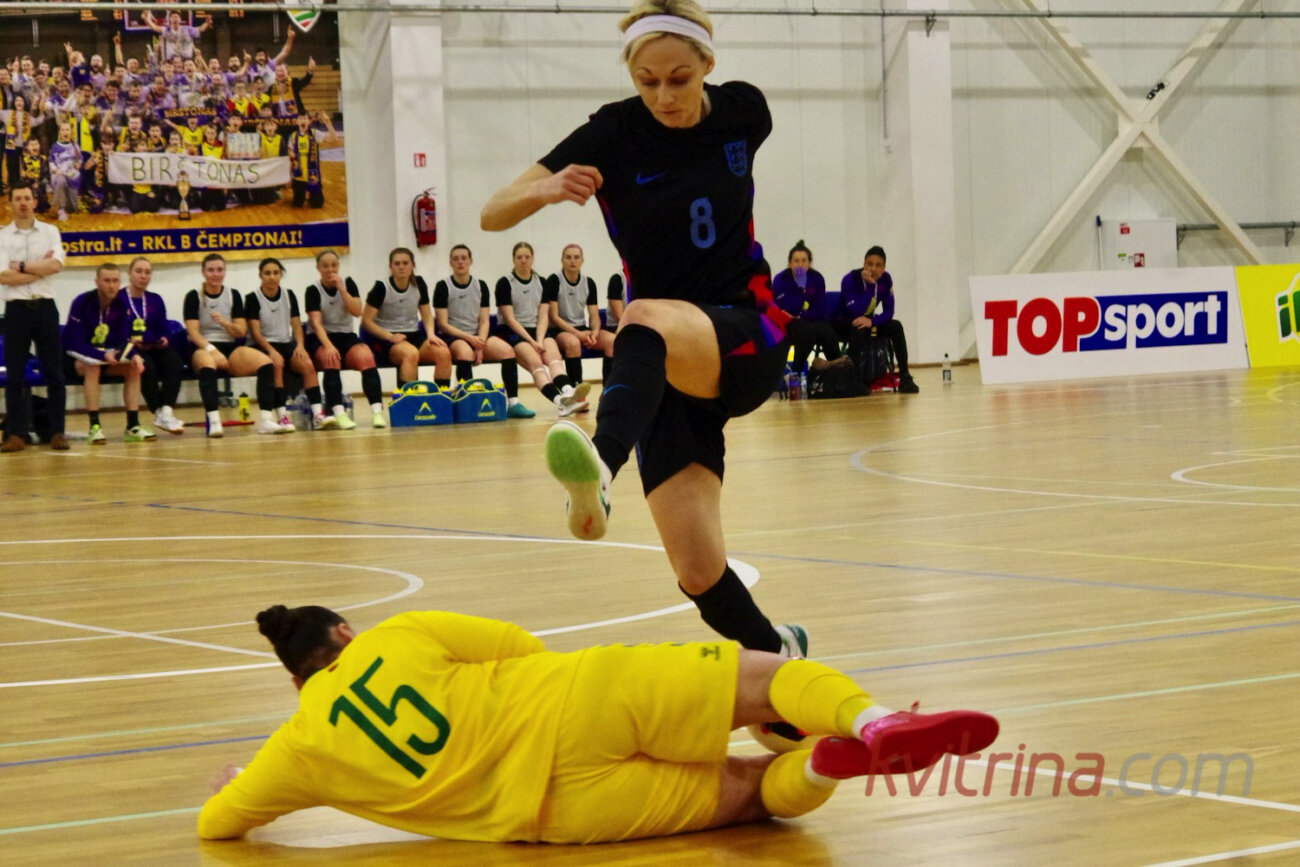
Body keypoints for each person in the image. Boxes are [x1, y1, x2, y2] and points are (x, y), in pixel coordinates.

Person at [481, 2, 804, 675]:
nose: (663, 96)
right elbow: (492, 214)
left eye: (679, 78)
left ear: (707, 65)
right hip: (660, 364)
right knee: (697, 570)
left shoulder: (745, 111)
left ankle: (599, 467)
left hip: (746, 329)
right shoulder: (612, 131)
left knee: (643, 315)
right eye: (647, 80)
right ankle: (781, 656)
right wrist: (547, 188)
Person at [197, 604, 999, 843]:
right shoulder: (395, 635)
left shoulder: (299, 745)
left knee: (754, 795)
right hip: (579, 696)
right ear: (345, 632)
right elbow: (521, 644)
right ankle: (872, 720)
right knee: (771, 679)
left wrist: (242, 787)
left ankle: (821, 765)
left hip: (560, 811)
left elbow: (216, 825)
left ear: (296, 679)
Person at [0, 183, 68, 452]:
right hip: (16, 310)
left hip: (45, 308)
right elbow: (4, 276)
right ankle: (16, 434)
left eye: (27, 198)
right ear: (10, 203)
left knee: (54, 372)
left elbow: (56, 265)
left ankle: (57, 432)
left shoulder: (50, 232)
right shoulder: (3, 236)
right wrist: (40, 270)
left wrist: (22, 267)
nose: (23, 203)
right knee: (15, 374)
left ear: (34, 201)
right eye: (18, 199)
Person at [432, 243, 534, 418]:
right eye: (456, 259)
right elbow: (442, 324)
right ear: (450, 263)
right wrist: (470, 340)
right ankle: (467, 403)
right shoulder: (443, 286)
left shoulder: (481, 286)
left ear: (470, 261)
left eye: (464, 258)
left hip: (478, 336)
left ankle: (513, 403)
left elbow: (485, 321)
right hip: (454, 336)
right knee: (465, 352)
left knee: (507, 351)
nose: (460, 262)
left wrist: (480, 344)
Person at [183, 252, 279, 437]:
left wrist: (224, 323)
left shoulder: (233, 295)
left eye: (219, 270)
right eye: (211, 270)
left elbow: (241, 331)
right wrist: (212, 350)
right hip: (203, 347)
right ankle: (214, 421)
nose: (215, 274)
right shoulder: (193, 296)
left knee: (266, 363)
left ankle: (266, 420)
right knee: (208, 365)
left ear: (224, 272)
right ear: (203, 272)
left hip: (230, 347)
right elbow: (193, 332)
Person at [63, 263, 154, 444]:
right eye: (106, 281)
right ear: (97, 282)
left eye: (115, 281)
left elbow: (123, 339)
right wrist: (101, 356)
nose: (111, 286)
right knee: (92, 367)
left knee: (133, 368)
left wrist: (134, 354)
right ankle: (95, 426)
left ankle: (133, 425)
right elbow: (74, 342)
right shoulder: (82, 302)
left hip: (105, 358)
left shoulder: (121, 304)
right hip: (74, 358)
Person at [494, 241, 587, 417]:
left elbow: (544, 316)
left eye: (527, 257)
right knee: (536, 364)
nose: (523, 260)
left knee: (554, 359)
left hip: (538, 331)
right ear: (513, 260)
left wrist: (539, 339)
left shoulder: (542, 282)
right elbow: (510, 319)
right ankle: (559, 402)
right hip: (514, 332)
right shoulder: (505, 283)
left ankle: (569, 391)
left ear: (532, 259)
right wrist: (532, 342)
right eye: (519, 257)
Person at [304, 249, 386, 430]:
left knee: (366, 357)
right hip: (321, 337)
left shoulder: (348, 284)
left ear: (338, 266)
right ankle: (339, 413)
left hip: (346, 335)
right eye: (325, 266)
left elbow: (357, 311)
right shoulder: (313, 290)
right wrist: (328, 346)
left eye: (334, 265)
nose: (330, 269)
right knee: (331, 358)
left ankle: (377, 412)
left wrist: (342, 289)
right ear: (318, 268)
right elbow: (316, 324)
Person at [244, 257, 323, 431]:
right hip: (262, 345)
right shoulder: (252, 298)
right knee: (276, 363)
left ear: (280, 275)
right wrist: (271, 350)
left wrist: (300, 346)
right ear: (260, 275)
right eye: (267, 273)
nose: (272, 277)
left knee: (307, 364)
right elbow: (255, 333)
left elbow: (296, 326)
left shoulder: (289, 295)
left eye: (275, 273)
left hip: (285, 342)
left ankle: (318, 415)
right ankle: (282, 416)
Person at [361, 246, 452, 394]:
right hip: (388, 338)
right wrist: (389, 336)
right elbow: (366, 322)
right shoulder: (381, 288)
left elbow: (427, 315)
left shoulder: (419, 284)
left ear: (412, 265)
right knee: (410, 354)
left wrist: (431, 334)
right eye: (397, 264)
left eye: (405, 263)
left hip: (414, 334)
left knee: (443, 352)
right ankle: (408, 398)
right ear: (390, 266)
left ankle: (442, 396)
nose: (401, 267)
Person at [836, 246, 918, 394]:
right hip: (846, 321)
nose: (873, 268)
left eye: (878, 265)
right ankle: (853, 380)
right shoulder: (850, 279)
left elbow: (889, 311)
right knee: (858, 328)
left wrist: (872, 321)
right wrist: (870, 286)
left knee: (896, 326)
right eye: (869, 264)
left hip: (868, 322)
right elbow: (856, 311)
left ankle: (905, 376)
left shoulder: (886, 279)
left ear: (884, 268)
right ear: (863, 264)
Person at [121, 256, 184, 434]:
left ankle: (166, 411)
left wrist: (163, 338)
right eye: (139, 271)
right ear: (129, 273)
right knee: (145, 365)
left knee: (174, 361)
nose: (143, 276)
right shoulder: (119, 298)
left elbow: (163, 326)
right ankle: (158, 411)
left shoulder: (155, 299)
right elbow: (116, 328)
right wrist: (132, 341)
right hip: (130, 347)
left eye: (147, 272)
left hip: (152, 345)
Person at [545, 243, 614, 395]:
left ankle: (607, 391)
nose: (572, 261)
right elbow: (554, 317)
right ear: (562, 260)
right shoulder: (554, 280)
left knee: (612, 341)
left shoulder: (588, 283)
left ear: (582, 260)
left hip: (582, 328)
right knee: (573, 343)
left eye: (576, 257)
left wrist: (594, 333)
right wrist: (577, 334)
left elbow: (594, 315)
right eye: (568, 257)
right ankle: (576, 393)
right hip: (559, 330)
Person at [773, 240, 842, 373]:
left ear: (809, 263)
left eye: (804, 260)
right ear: (789, 263)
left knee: (827, 333)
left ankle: (838, 373)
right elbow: (784, 306)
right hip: (789, 322)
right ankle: (797, 373)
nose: (800, 264)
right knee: (806, 332)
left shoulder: (817, 278)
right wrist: (801, 289)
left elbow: (820, 308)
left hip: (812, 318)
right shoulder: (780, 279)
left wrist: (801, 315)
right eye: (796, 261)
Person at [283, 110, 337, 209]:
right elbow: (290, 158)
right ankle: (301, 193)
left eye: (305, 118)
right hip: (298, 176)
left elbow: (333, 139)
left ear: (309, 121)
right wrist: (289, 177)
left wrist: (328, 123)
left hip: (312, 175)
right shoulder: (293, 136)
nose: (303, 120)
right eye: (300, 118)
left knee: (317, 204)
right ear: (296, 121)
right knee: (297, 204)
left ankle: (312, 195)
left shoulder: (314, 133)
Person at [602, 270, 627, 381]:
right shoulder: (617, 279)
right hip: (617, 325)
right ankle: (608, 384)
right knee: (615, 342)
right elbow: (619, 316)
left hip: (639, 326)